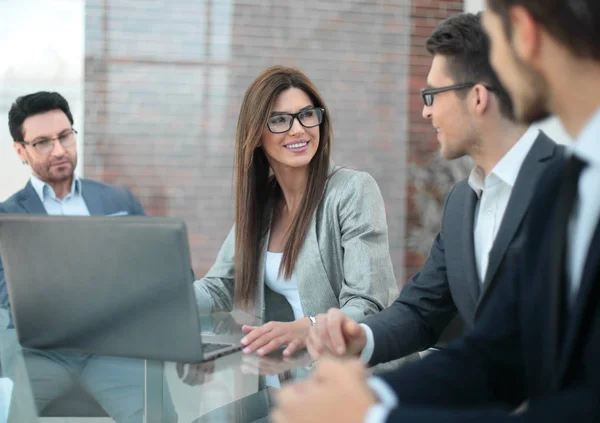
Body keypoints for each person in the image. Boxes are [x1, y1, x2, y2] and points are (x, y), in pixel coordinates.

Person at [273, 0, 600, 421]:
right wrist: (371, 393)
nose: (501, 68)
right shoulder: (564, 186)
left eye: (500, 46)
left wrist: (372, 416)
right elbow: (499, 352)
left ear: (524, 32)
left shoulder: (556, 183)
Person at [307, 12, 563, 366]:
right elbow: (421, 310)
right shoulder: (461, 203)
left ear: (476, 97)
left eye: (432, 95)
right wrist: (360, 337)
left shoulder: (573, 185)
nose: (426, 112)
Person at [193, 65, 398, 359]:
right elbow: (219, 288)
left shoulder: (352, 190)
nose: (298, 129)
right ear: (256, 135)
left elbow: (367, 301)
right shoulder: (263, 207)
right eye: (279, 120)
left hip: (356, 376)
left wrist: (309, 326)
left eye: (306, 114)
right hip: (291, 376)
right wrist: (161, 300)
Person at [0, 92, 176, 422]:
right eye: (42, 142)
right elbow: (3, 294)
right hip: (41, 354)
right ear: (20, 151)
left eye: (65, 136)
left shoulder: (117, 199)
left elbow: (160, 265)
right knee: (9, 407)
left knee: (159, 416)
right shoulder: (6, 218)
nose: (59, 150)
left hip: (114, 350)